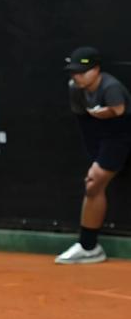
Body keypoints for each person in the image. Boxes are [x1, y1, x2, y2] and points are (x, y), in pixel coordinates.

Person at [56, 46, 131, 264]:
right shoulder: (75, 88)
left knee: (94, 182)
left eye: (82, 71)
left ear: (96, 70)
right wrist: (96, 156)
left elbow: (119, 118)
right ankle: (89, 247)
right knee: (93, 185)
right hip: (106, 138)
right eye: (74, 71)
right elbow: (84, 122)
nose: (77, 76)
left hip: (122, 132)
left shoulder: (112, 88)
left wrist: (100, 114)